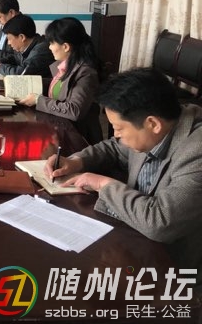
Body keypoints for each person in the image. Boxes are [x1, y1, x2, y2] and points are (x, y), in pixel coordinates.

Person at [46, 68, 202, 287]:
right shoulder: (158, 127)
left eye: (118, 128)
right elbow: (114, 148)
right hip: (132, 240)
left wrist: (104, 184)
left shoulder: (196, 151)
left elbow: (160, 222)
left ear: (153, 124)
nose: (116, 135)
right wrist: (76, 162)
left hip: (171, 271)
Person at [17, 17, 103, 144]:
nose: (49, 47)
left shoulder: (86, 73)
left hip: (78, 138)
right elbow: (59, 86)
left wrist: (38, 100)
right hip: (60, 130)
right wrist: (29, 82)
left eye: (52, 43)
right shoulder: (66, 65)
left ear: (66, 46)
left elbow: (74, 110)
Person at [0, 13, 54, 77]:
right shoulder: (26, 46)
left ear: (22, 37)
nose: (9, 43)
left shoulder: (40, 50)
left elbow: (21, 73)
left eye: (9, 39)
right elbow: (15, 58)